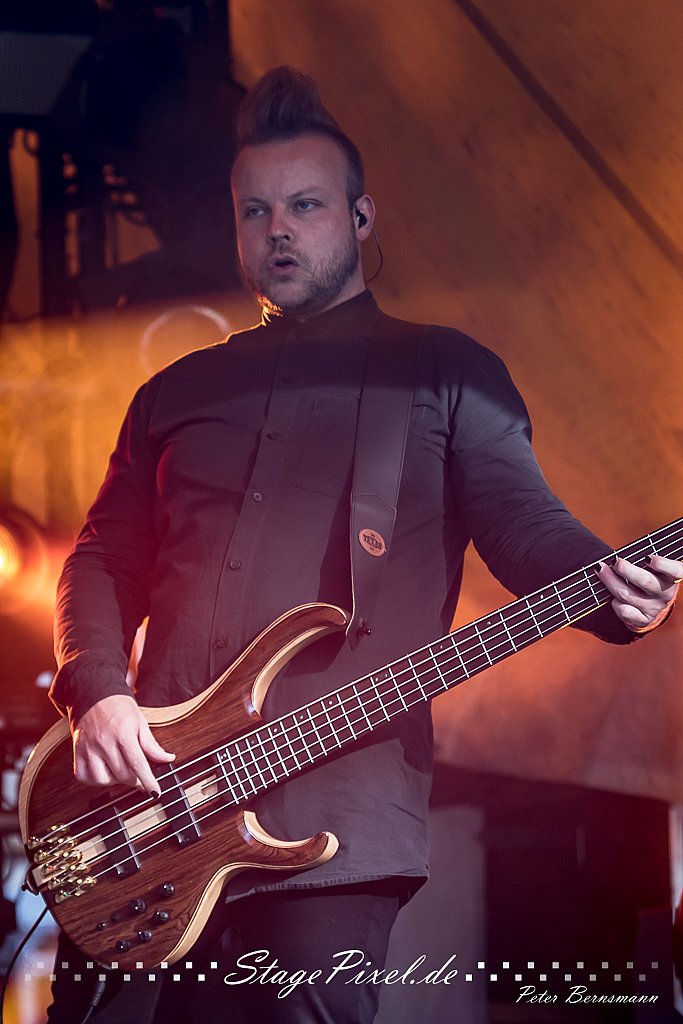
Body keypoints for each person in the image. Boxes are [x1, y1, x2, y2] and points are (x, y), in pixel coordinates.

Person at [45, 67, 681, 1023]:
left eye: (304, 205)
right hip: (144, 815)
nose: (278, 230)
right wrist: (98, 694)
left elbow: (526, 526)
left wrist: (617, 593)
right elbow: (102, 560)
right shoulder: (173, 392)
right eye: (255, 211)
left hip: (333, 827)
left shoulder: (444, 372)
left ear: (360, 216)